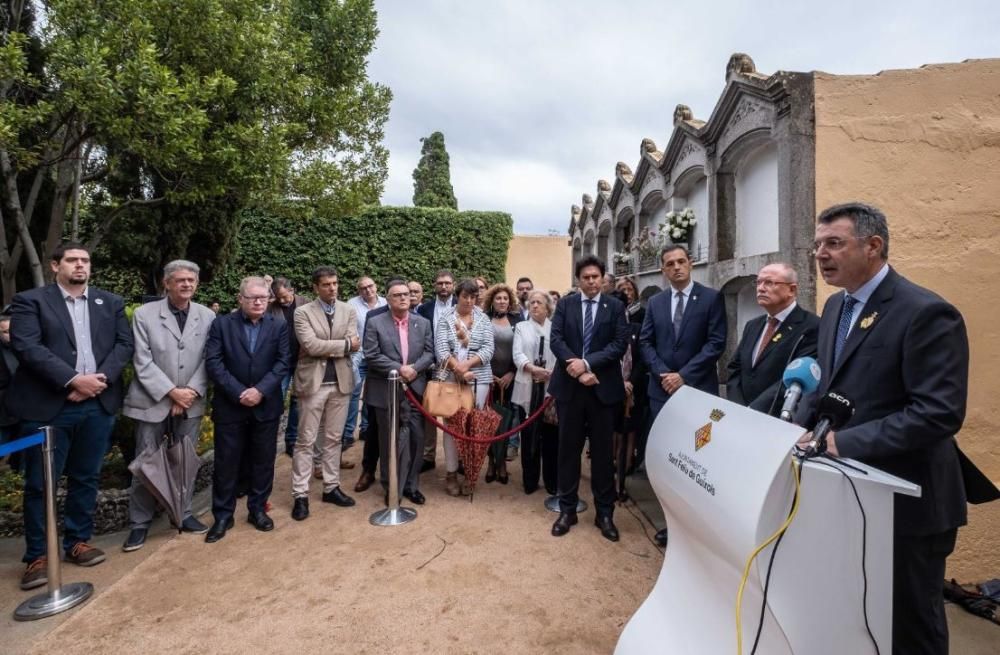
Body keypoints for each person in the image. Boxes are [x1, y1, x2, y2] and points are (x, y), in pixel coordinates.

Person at [797, 202, 975, 655]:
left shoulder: (927, 312)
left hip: (911, 504)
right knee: (864, 614)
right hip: (855, 497)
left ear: (873, 246)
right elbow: (830, 385)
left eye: (834, 243)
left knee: (912, 625)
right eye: (818, 244)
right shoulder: (836, 306)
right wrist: (807, 429)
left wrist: (841, 442)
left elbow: (937, 413)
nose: (820, 254)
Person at [8, 242, 133, 589]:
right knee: (41, 484)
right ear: (55, 266)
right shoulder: (31, 302)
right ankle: (37, 555)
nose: (80, 265)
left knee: (87, 477)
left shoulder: (109, 302)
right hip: (49, 405)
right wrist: (72, 380)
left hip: (97, 404)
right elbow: (28, 347)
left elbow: (124, 345)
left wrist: (96, 383)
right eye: (73, 260)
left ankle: (77, 541)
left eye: (86, 260)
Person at [121, 260, 215, 552]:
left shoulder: (207, 315)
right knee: (146, 461)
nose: (187, 284)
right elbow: (141, 360)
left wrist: (189, 393)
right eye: (180, 280)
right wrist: (171, 393)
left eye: (191, 280)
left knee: (184, 461)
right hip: (152, 400)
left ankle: (183, 513)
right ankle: (139, 522)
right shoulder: (145, 315)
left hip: (191, 400)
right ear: (167, 283)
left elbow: (208, 358)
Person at [639, 245, 725, 545]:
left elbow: (716, 343)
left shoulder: (712, 298)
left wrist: (683, 376)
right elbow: (646, 342)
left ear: (691, 263)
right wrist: (664, 373)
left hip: (697, 393)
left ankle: (692, 527)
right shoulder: (656, 302)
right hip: (661, 392)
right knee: (668, 459)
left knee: (694, 460)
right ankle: (670, 522)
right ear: (663, 269)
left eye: (680, 262)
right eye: (669, 264)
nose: (676, 267)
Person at [548, 255, 629, 541]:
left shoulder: (616, 307)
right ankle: (567, 509)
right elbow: (556, 339)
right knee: (568, 451)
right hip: (571, 389)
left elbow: (619, 344)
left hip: (603, 391)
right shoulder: (566, 305)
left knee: (603, 455)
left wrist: (588, 364)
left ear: (603, 278)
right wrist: (577, 368)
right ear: (578, 280)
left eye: (596, 277)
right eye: (586, 277)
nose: (591, 281)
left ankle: (604, 513)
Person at [204, 276, 290, 542]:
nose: (258, 302)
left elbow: (283, 362)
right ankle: (222, 515)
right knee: (226, 462)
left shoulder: (278, 325)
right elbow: (214, 362)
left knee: (263, 461)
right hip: (231, 405)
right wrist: (239, 392)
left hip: (266, 405)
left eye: (263, 298)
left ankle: (257, 509)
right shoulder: (221, 325)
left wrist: (260, 391)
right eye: (252, 297)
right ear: (240, 299)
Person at [289, 266, 360, 521]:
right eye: (327, 284)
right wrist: (342, 345)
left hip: (341, 382)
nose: (333, 288)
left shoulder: (348, 310)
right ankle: (300, 494)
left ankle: (331, 487)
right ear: (315, 287)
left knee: (334, 438)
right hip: (313, 384)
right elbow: (310, 345)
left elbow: (356, 343)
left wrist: (335, 347)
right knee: (305, 440)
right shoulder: (302, 312)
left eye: (335, 283)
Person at [363, 280, 435, 505]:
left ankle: (412, 485)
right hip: (386, 391)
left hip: (415, 389)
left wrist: (414, 369)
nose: (403, 298)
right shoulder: (375, 322)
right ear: (388, 299)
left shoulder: (422, 323)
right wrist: (399, 368)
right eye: (397, 295)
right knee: (389, 442)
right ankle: (391, 487)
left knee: (416, 439)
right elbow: (371, 354)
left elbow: (430, 352)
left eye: (406, 294)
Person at [726, 262, 819, 415]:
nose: (761, 288)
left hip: (780, 416)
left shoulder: (811, 326)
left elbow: (796, 379)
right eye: (758, 282)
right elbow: (735, 368)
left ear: (792, 289)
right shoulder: (753, 325)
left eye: (769, 283)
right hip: (742, 415)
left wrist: (755, 410)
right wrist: (739, 408)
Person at [434, 279, 494, 496]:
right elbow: (441, 349)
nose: (469, 301)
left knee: (473, 427)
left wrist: (467, 365)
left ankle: (470, 472)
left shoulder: (484, 319)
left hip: (479, 379)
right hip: (451, 379)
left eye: (473, 296)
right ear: (457, 296)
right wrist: (458, 369)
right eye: (465, 296)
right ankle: (451, 474)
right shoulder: (445, 319)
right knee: (451, 428)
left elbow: (488, 349)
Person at [512, 290, 558, 495]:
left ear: (548, 307)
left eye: (539, 302)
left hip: (549, 388)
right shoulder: (521, 327)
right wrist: (533, 369)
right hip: (528, 385)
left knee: (550, 437)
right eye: (531, 302)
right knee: (529, 435)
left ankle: (551, 481)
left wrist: (549, 374)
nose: (534, 306)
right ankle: (529, 481)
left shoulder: (555, 328)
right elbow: (517, 354)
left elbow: (561, 355)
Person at [417, 269, 457, 471]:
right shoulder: (424, 309)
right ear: (434, 285)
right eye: (440, 283)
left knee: (454, 411)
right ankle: (428, 456)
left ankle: (456, 460)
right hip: (429, 366)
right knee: (429, 412)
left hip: (455, 368)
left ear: (453, 285)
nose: (444, 287)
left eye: (447, 283)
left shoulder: (462, 306)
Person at [482, 283, 522, 484]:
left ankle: (502, 463)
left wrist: (512, 373)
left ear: (510, 301)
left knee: (505, 423)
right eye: (498, 298)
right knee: (489, 422)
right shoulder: (483, 319)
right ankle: (491, 462)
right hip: (487, 378)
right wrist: (487, 373)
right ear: (492, 300)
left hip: (509, 380)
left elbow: (522, 349)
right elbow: (478, 347)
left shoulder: (517, 319)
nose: (502, 301)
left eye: (505, 298)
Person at [343, 277, 386, 452]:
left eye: (370, 286)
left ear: (376, 286)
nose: (367, 290)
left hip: (377, 354)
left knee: (373, 392)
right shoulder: (351, 304)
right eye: (363, 288)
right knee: (354, 391)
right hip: (358, 354)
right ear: (358, 290)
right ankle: (347, 434)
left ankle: (366, 429)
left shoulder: (385, 302)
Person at [269, 277, 308, 457]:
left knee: (297, 402)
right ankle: (269, 440)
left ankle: (291, 441)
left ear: (292, 290)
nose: (282, 301)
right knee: (276, 400)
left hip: (302, 360)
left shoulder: (306, 303)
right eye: (278, 297)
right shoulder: (270, 308)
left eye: (285, 296)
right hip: (280, 362)